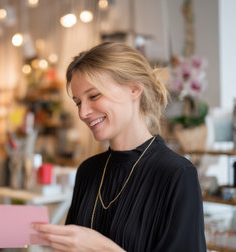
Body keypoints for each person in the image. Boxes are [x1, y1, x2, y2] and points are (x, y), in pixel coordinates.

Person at [32, 42, 206, 251]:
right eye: (78, 102)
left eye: (94, 96)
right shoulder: (88, 171)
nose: (83, 113)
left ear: (134, 89)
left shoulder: (176, 174)